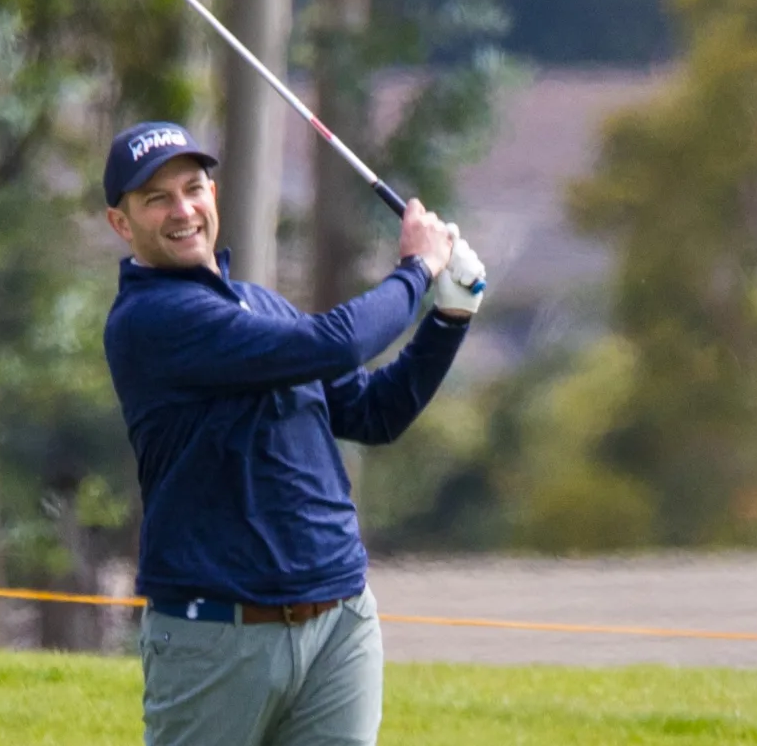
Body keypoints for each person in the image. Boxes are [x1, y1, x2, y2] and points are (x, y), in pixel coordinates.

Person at [99, 120, 486, 746]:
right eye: (156, 199)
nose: (183, 210)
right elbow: (338, 343)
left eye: (194, 188)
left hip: (339, 621)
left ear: (214, 197)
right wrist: (416, 271)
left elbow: (374, 414)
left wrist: (448, 317)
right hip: (215, 633)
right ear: (122, 223)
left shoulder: (259, 307)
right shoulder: (152, 321)